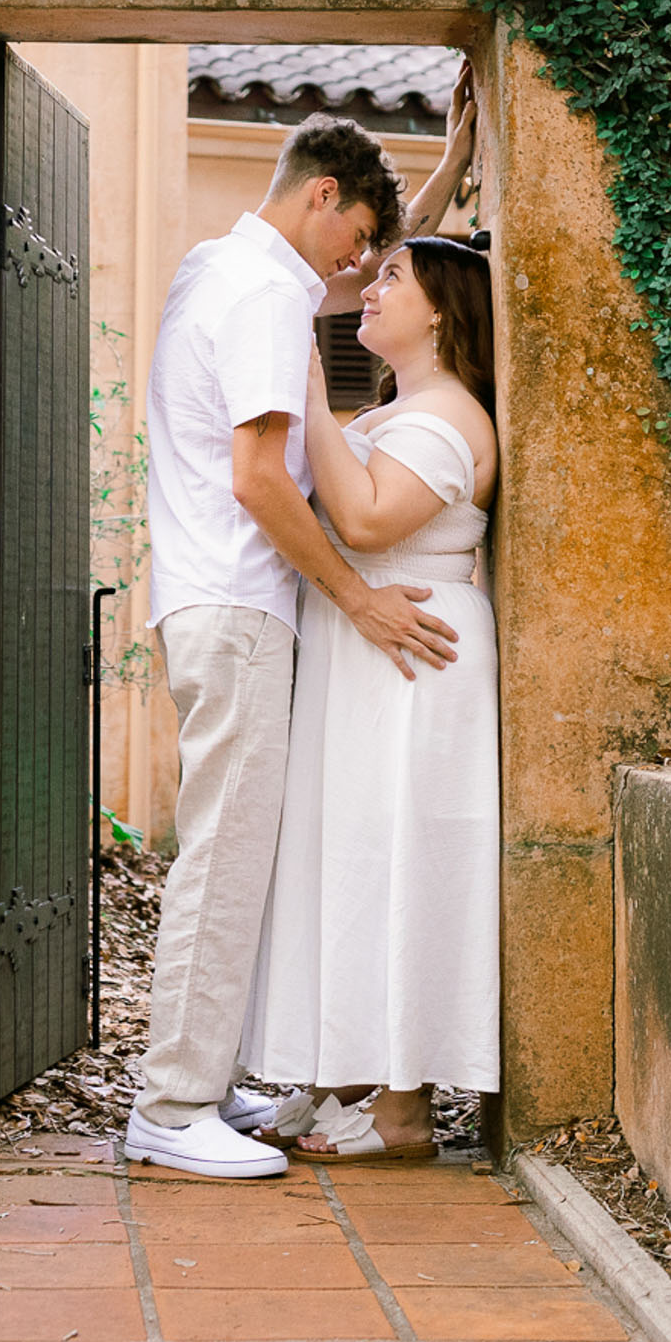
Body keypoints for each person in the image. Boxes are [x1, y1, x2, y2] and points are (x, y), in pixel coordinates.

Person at [123, 82, 478, 1181]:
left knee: (231, 852)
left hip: (202, 596)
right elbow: (260, 484)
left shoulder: (217, 268)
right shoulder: (270, 300)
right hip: (237, 599)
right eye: (359, 238)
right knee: (224, 856)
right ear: (322, 197)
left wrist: (453, 158)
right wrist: (359, 597)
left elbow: (386, 276)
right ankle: (173, 1103)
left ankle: (200, 1080)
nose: (357, 267)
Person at [240, 234, 499, 1161]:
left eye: (395, 277)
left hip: (415, 659)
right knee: (354, 861)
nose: (371, 286)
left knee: (401, 864)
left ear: (441, 309)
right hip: (372, 652)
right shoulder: (405, 406)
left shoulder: (446, 416)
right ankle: (346, 1075)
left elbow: (362, 519)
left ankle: (402, 1113)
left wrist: (304, 388)